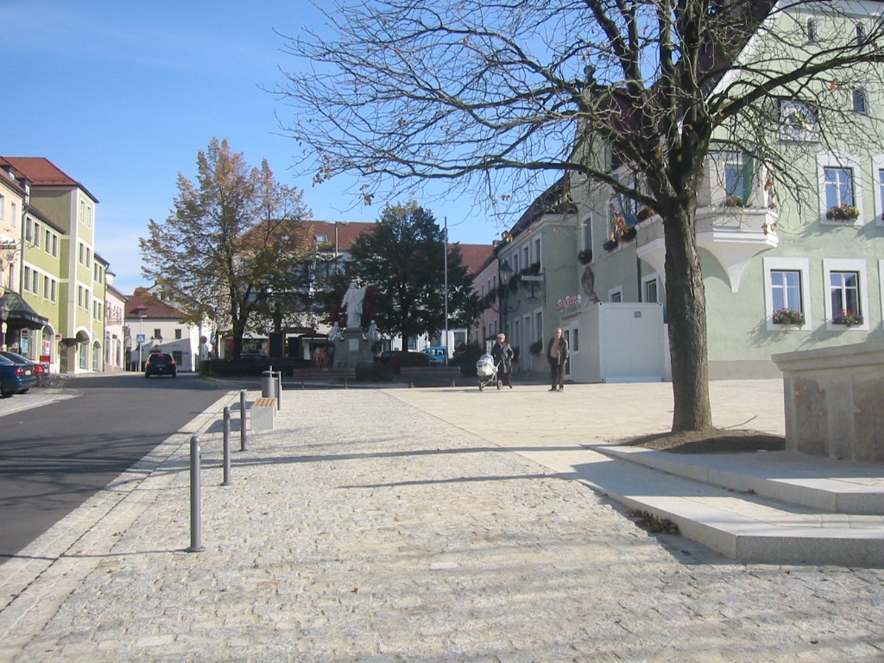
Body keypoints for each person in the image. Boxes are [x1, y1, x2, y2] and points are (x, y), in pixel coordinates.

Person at [546, 327, 569, 392]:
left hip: (560, 359)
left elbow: (566, 351)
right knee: (553, 373)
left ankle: (561, 387)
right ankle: (554, 387)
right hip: (552, 359)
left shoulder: (563, 341)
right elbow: (549, 350)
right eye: (556, 332)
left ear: (561, 333)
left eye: (558, 332)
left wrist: (565, 358)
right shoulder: (551, 341)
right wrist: (548, 357)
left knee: (560, 373)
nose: (557, 334)